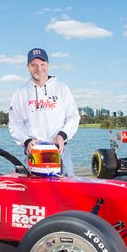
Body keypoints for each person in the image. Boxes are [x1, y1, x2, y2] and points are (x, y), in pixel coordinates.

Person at [9, 48, 80, 176]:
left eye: (42, 64)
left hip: (59, 152)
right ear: (28, 67)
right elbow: (14, 124)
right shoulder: (20, 93)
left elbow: (73, 117)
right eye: (34, 65)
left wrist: (61, 136)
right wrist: (26, 141)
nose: (39, 68)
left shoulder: (62, 88)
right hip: (33, 153)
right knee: (33, 189)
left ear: (48, 65)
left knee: (66, 188)